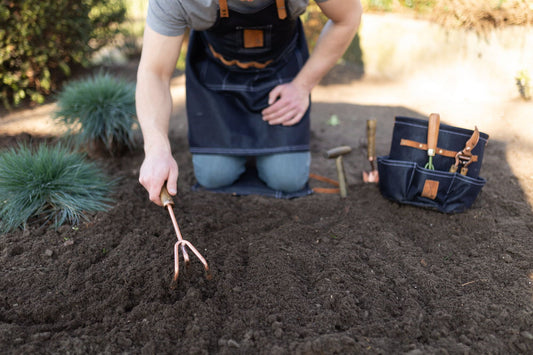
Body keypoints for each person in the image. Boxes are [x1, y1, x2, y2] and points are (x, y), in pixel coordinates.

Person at [136, 0, 363, 205]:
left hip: (280, 75)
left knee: (287, 179)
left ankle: (262, 153)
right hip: (217, 78)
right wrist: (157, 149)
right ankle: (246, 152)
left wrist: (302, 86)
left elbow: (348, 17)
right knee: (214, 176)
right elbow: (154, 73)